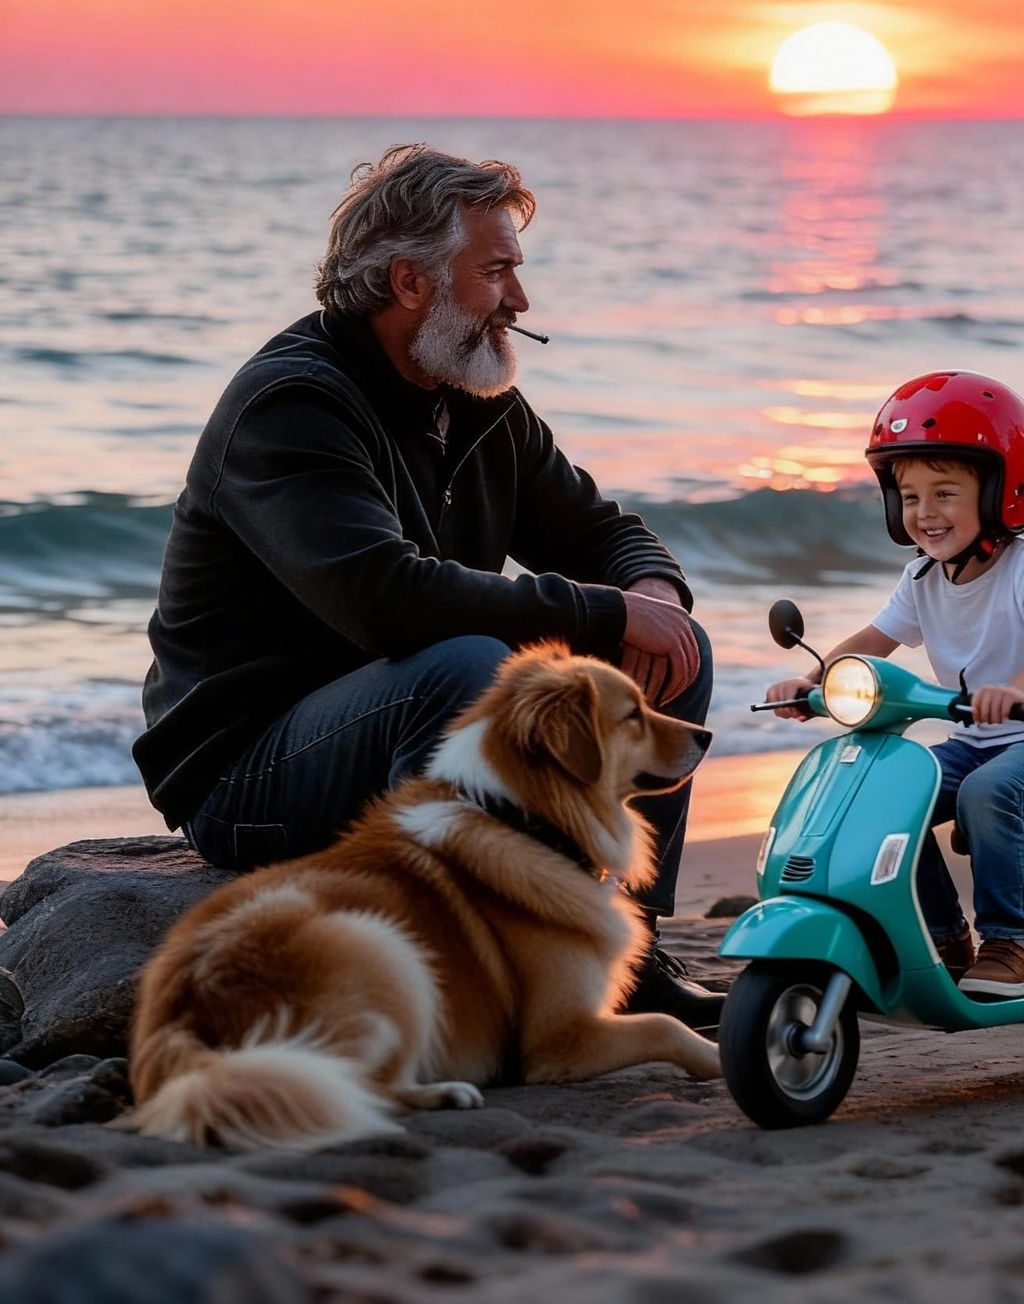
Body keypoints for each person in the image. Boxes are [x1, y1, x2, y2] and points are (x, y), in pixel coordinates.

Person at [134, 143, 722, 1028]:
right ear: (410, 282)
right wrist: (609, 608)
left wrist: (655, 600)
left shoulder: (474, 394)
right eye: (496, 273)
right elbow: (385, 600)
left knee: (662, 649)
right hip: (250, 773)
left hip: (392, 724)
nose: (519, 301)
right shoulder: (292, 404)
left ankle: (622, 953)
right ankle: (451, 987)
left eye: (515, 273)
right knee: (466, 667)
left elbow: (602, 532)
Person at [766, 372, 1024, 996]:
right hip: (977, 740)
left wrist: (1018, 690)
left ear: (1003, 490)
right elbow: (872, 641)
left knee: (985, 793)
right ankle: (945, 936)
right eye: (911, 496)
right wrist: (811, 683)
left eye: (945, 493)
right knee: (891, 794)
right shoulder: (923, 577)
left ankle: (1012, 943)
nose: (926, 513)